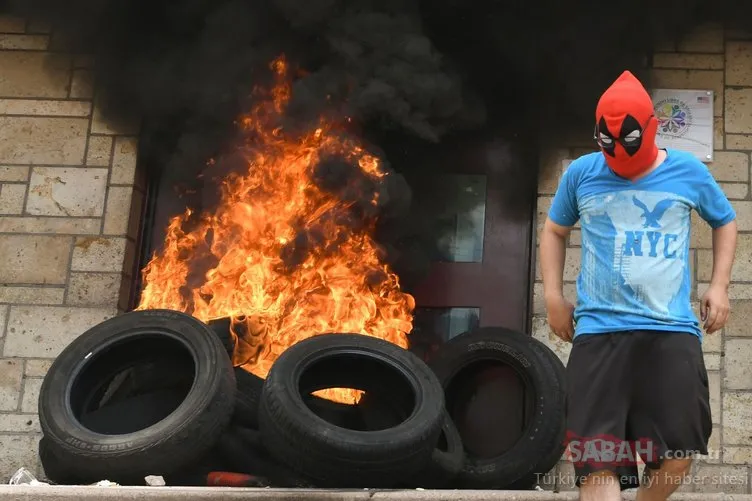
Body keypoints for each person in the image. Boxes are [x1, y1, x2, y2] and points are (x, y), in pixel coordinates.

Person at [538, 70, 738, 501]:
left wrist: (720, 285)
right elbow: (554, 230)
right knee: (597, 458)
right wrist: (552, 296)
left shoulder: (687, 171)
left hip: (671, 331)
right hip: (598, 334)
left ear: (651, 129)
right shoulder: (582, 173)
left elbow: (725, 221)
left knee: (680, 450)